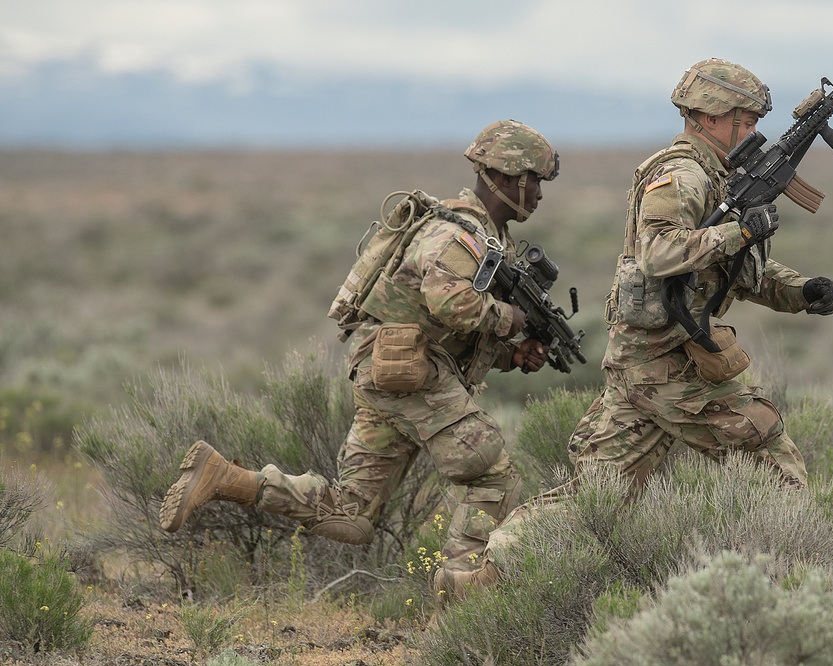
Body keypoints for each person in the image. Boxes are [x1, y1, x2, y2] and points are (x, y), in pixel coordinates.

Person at [435, 58, 833, 601]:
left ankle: (478, 584)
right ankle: (796, 596)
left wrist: (799, 291)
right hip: (666, 365)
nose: (752, 129)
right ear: (712, 117)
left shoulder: (716, 176)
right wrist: (739, 231)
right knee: (772, 460)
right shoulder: (683, 175)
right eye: (745, 118)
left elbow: (725, 276)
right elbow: (660, 252)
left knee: (594, 498)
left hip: (646, 362)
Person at [159, 119, 559, 586]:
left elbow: (449, 324)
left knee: (352, 515)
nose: (539, 193)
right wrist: (512, 320)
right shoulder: (458, 235)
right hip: (408, 371)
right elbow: (448, 301)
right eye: (534, 180)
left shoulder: (486, 237)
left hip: (391, 370)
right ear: (508, 176)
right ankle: (462, 594)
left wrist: (511, 355)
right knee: (490, 474)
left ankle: (225, 478)